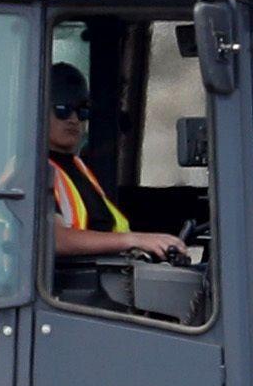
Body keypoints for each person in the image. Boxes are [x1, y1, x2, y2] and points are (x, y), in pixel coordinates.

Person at [47, 63, 185, 260]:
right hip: (63, 285)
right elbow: (54, 239)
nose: (74, 119)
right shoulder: (30, 170)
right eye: (63, 110)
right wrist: (134, 240)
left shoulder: (77, 168)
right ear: (38, 110)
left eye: (82, 111)